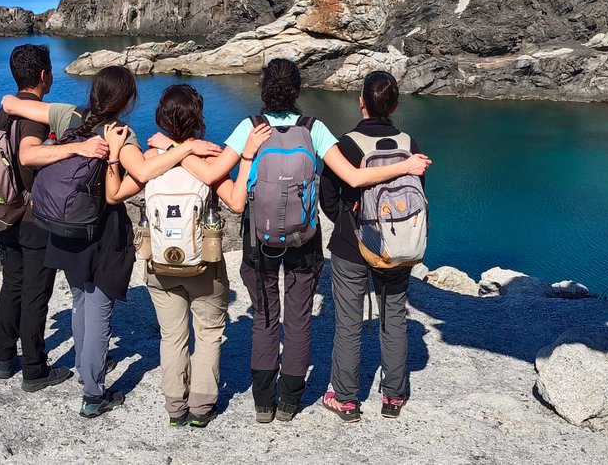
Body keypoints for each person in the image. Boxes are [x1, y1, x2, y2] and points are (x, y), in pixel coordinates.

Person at [149, 59, 431, 423]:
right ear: (297, 92)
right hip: (305, 239)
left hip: (258, 239)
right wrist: (405, 167)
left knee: (265, 318)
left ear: (263, 90)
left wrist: (176, 146)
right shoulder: (314, 129)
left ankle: (263, 403)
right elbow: (355, 177)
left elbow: (210, 173)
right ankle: (289, 403)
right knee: (298, 320)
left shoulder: (249, 127)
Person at [0, 67, 220, 418]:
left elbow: (9, 102)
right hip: (101, 233)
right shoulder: (120, 133)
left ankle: (87, 370)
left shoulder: (66, 114)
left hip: (64, 228)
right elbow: (144, 173)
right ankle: (93, 393)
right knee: (98, 309)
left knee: (79, 301)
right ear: (128, 100)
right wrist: (186, 148)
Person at [98, 84, 265, 428]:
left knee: (172, 336)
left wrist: (115, 157)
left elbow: (113, 195)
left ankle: (176, 406)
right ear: (198, 118)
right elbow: (235, 201)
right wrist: (246, 157)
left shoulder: (149, 159)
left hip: (160, 265)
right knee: (208, 332)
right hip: (204, 264)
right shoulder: (207, 160)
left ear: (161, 118)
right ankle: (202, 407)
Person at [0, 44, 108, 393]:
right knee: (35, 291)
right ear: (44, 75)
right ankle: (34, 369)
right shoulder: (33, 116)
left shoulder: (2, 113)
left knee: (12, 283)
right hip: (31, 216)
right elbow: (28, 156)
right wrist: (76, 148)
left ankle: (3, 356)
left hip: (4, 209)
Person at [319, 71, 423, 422]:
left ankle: (346, 399)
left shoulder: (346, 145)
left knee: (349, 322)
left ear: (360, 101)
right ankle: (393, 396)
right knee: (393, 317)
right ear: (395, 105)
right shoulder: (410, 144)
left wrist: (348, 222)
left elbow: (327, 197)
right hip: (398, 244)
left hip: (352, 245)